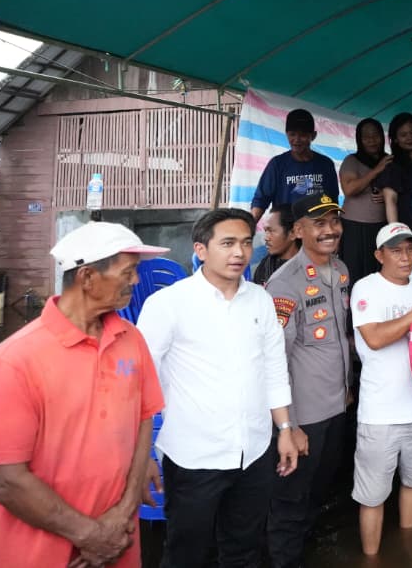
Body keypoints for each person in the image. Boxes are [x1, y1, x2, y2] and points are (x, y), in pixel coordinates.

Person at [0, 223, 168, 567]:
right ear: (87, 277)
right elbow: (5, 481)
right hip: (35, 551)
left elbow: (143, 420)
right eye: (127, 272)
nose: (135, 280)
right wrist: (90, 535)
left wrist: (122, 514)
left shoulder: (130, 339)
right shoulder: (15, 360)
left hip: (118, 539)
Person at [137, 209, 303, 568]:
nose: (239, 253)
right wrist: (142, 453)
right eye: (227, 243)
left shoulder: (260, 300)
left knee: (244, 550)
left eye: (245, 243)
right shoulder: (168, 304)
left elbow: (274, 368)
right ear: (201, 250)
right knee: (186, 554)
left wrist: (286, 429)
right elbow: (140, 382)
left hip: (254, 452)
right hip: (193, 457)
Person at [263, 194, 355, 568]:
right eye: (319, 223)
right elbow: (275, 360)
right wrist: (291, 425)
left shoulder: (341, 271)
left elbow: (339, 338)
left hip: (336, 406)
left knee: (319, 488)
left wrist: (348, 388)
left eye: (334, 221)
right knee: (290, 499)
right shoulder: (285, 284)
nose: (330, 230)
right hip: (305, 416)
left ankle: (303, 550)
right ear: (298, 231)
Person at [350, 222, 412, 556]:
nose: (405, 257)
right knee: (372, 496)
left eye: (409, 250)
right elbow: (374, 339)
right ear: (380, 255)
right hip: (380, 415)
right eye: (396, 251)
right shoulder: (366, 288)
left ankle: (409, 551)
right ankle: (371, 559)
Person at [250, 108, 339, 224]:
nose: (297, 140)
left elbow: (332, 200)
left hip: (316, 228)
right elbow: (261, 200)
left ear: (313, 135)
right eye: (292, 134)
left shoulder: (325, 164)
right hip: (287, 229)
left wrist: (332, 225)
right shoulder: (277, 164)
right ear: (286, 134)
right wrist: (249, 226)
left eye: (303, 135)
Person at [339, 118, 390, 282]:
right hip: (354, 228)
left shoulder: (389, 160)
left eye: (375, 135)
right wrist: (376, 170)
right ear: (359, 140)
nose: (372, 140)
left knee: (379, 275)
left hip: (381, 227)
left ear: (382, 137)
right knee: (354, 274)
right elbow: (349, 189)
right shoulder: (351, 161)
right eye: (366, 137)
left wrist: (387, 194)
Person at [382, 112, 412, 237]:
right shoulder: (393, 165)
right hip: (407, 225)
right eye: (403, 135)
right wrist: (397, 234)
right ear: (395, 139)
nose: (410, 138)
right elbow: (390, 200)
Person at [254, 205, 301, 287]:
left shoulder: (310, 266)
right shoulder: (265, 265)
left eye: (271, 231)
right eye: (266, 231)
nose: (266, 238)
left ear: (293, 233)